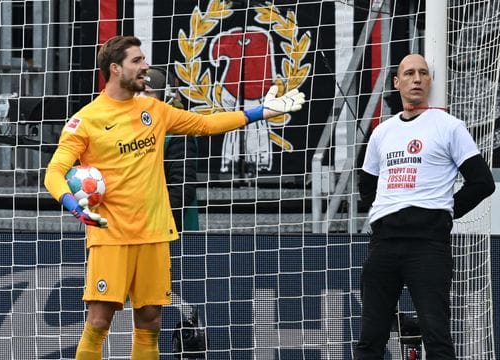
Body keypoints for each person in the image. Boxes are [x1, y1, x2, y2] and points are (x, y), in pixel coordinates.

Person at [43, 35, 305, 360]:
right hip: (111, 234)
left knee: (151, 322)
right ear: (115, 68)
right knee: (99, 321)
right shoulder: (87, 120)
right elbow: (54, 172)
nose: (145, 66)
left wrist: (260, 112)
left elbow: (205, 124)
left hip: (154, 233)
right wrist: (74, 206)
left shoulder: (154, 109)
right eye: (137, 61)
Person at [354, 53, 495, 359]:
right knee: (370, 337)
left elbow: (483, 182)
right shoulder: (382, 132)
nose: (416, 79)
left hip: (429, 245)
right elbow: (366, 184)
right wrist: (388, 207)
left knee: (437, 336)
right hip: (384, 243)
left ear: (430, 81)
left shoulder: (449, 126)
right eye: (408, 73)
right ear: (397, 82)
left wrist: (442, 211)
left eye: (422, 73)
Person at [143, 66, 199, 232]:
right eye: (136, 92)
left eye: (147, 92)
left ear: (164, 96)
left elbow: (182, 191)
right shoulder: (129, 128)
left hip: (169, 229)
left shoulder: (178, 133)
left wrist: (147, 220)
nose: (139, 97)